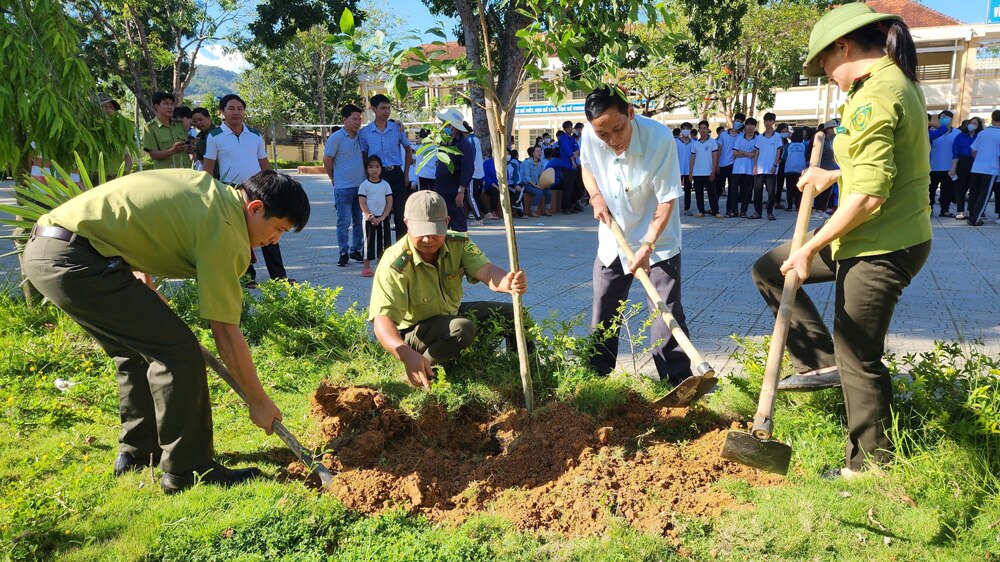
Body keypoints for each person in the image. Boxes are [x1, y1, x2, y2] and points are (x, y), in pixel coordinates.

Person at [23, 169, 310, 492]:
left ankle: (138, 452)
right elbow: (226, 331)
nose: (274, 240)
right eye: (277, 229)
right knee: (178, 353)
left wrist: (145, 281)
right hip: (79, 261)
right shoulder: (227, 229)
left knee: (134, 351)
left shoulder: (207, 191)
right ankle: (188, 470)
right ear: (255, 208)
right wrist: (258, 400)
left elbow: (146, 213)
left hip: (49, 250)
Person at [752, 3, 932, 478]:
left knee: (860, 353)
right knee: (771, 269)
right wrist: (832, 175)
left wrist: (810, 247)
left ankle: (870, 466)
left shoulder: (878, 94)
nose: (826, 75)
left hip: (883, 243)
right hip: (863, 233)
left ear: (843, 47)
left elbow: (871, 195)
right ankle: (822, 363)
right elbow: (875, 166)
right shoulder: (884, 85)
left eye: (824, 65)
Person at [579, 86, 693, 385]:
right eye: (604, 135)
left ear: (630, 112)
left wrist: (647, 245)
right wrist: (595, 197)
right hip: (613, 241)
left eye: (618, 129)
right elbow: (587, 168)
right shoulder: (591, 135)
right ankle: (595, 380)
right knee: (604, 311)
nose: (613, 140)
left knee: (665, 314)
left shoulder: (659, 139)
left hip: (658, 242)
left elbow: (668, 199)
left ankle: (678, 382)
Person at [369, 190, 527, 388]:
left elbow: (486, 271)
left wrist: (507, 282)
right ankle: (425, 375)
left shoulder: (457, 243)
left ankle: (521, 370)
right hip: (414, 331)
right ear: (406, 223)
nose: (428, 240)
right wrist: (406, 354)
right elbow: (382, 321)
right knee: (462, 328)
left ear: (447, 221)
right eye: (421, 232)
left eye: (435, 231)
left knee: (514, 313)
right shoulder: (395, 262)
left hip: (448, 314)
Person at [205, 94, 292, 285]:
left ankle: (279, 277)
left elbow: (264, 163)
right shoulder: (214, 136)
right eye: (231, 108)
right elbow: (208, 169)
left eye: (240, 108)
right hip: (231, 191)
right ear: (222, 112)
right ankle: (246, 276)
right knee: (239, 234)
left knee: (270, 229)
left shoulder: (254, 135)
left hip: (258, 189)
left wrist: (274, 185)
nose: (236, 112)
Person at [359, 94, 413, 240]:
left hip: (396, 174)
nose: (387, 111)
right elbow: (364, 155)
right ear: (373, 109)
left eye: (389, 108)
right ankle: (384, 249)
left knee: (401, 213)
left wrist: (406, 174)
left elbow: (408, 149)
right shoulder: (365, 133)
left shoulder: (397, 128)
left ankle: (402, 247)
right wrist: (368, 177)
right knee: (382, 213)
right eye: (383, 108)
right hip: (378, 177)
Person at [323, 104, 367, 267]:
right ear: (344, 119)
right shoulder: (336, 138)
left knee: (359, 221)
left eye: (360, 119)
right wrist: (332, 177)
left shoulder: (360, 136)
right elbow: (327, 159)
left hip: (360, 187)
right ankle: (343, 252)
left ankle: (356, 249)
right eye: (354, 119)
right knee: (343, 222)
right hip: (343, 188)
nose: (358, 122)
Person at [434, 108, 476, 233]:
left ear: (454, 126)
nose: (443, 126)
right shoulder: (444, 142)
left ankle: (461, 251)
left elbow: (468, 169)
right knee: (441, 225)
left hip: (454, 191)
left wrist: (461, 191)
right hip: (441, 189)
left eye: (446, 123)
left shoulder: (464, 144)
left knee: (458, 225)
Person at [358, 155, 393, 277]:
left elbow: (389, 201)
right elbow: (362, 202)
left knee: (384, 242)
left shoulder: (385, 185)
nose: (374, 169)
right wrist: (370, 216)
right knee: (368, 242)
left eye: (377, 167)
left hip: (382, 218)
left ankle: (381, 266)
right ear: (367, 169)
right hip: (369, 219)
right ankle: (366, 267)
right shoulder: (364, 185)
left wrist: (383, 216)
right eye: (371, 167)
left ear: (381, 169)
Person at [142, 92, 192, 170]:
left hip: (185, 172)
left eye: (172, 104)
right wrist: (173, 150)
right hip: (167, 175)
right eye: (166, 104)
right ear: (157, 106)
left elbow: (186, 147)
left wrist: (190, 148)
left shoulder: (179, 125)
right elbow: (154, 155)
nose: (170, 107)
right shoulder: (150, 128)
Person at [967, 110, 1000, 226]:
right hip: (990, 168)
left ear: (992, 119)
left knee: (974, 193)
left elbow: (973, 151)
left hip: (977, 167)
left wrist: (980, 160)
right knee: (984, 194)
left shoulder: (983, 133)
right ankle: (976, 218)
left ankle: (971, 216)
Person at [927, 110, 961, 217]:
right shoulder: (932, 132)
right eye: (941, 117)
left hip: (949, 166)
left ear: (951, 119)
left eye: (946, 117)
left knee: (947, 190)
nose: (944, 119)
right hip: (933, 166)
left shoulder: (957, 133)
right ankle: (929, 209)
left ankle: (945, 210)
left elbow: (958, 150)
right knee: (931, 190)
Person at [950, 116, 982, 220]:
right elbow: (955, 153)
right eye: (971, 122)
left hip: (975, 162)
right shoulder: (960, 136)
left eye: (975, 123)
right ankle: (960, 211)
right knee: (960, 188)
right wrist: (953, 168)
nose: (972, 125)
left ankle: (971, 211)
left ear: (978, 126)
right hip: (962, 162)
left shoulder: (980, 137)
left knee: (974, 188)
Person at [754, 113, 784, 220]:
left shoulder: (777, 137)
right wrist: (755, 166)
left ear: (773, 122)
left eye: (770, 121)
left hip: (771, 169)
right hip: (760, 169)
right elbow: (756, 152)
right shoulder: (759, 137)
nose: (768, 123)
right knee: (757, 192)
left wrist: (775, 165)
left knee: (771, 192)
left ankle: (770, 212)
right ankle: (758, 212)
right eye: (766, 121)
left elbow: (778, 151)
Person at [97, 92, 134, 178]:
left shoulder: (117, 131)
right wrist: (77, 181)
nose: (109, 111)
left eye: (111, 107)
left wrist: (129, 174)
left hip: (117, 176)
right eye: (105, 107)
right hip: (95, 177)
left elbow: (126, 155)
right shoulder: (88, 130)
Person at [688, 120, 721, 218]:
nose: (702, 130)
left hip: (708, 172)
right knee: (698, 193)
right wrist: (690, 172)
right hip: (697, 173)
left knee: (712, 193)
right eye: (701, 128)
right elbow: (692, 158)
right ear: (698, 130)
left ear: (708, 129)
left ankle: (715, 211)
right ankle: (701, 211)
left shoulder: (712, 142)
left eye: (704, 128)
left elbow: (715, 158)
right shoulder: (695, 144)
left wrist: (713, 171)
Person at [719, 113, 745, 216]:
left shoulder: (741, 136)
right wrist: (716, 164)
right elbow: (719, 149)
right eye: (737, 120)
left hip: (734, 165)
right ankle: (714, 209)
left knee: (732, 188)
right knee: (718, 187)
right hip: (721, 164)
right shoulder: (723, 134)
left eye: (740, 122)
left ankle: (729, 209)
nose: (738, 123)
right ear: (733, 121)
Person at [733, 117, 760, 218]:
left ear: (754, 126)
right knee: (734, 190)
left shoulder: (758, 139)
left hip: (749, 169)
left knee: (747, 192)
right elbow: (735, 152)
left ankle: (743, 211)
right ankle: (734, 210)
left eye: (752, 125)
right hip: (737, 169)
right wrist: (748, 153)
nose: (749, 127)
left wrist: (742, 152)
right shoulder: (739, 138)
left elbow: (755, 154)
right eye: (748, 124)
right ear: (745, 126)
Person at [520, 145, 551, 217]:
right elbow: (527, 178)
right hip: (526, 185)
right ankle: (533, 211)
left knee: (548, 191)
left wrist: (545, 184)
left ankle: (546, 209)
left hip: (536, 184)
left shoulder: (540, 163)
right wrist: (536, 186)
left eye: (541, 152)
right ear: (533, 153)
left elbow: (541, 175)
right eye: (537, 151)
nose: (539, 153)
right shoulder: (526, 163)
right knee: (539, 192)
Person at [781, 129, 808, 212]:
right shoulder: (804, 145)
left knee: (789, 188)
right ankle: (797, 206)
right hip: (801, 170)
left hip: (789, 169)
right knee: (799, 189)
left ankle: (789, 206)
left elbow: (783, 157)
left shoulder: (788, 146)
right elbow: (807, 156)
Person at [676, 122, 695, 216]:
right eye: (684, 128)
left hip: (689, 170)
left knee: (688, 190)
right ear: (681, 130)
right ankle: (673, 209)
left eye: (688, 128)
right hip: (677, 170)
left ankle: (687, 208)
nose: (686, 130)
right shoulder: (676, 142)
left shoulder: (694, 143)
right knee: (675, 190)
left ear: (690, 130)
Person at [190, 107, 216, 176]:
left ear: (209, 118)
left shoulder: (219, 134)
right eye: (195, 121)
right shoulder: (199, 138)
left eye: (200, 119)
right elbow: (201, 160)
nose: (198, 123)